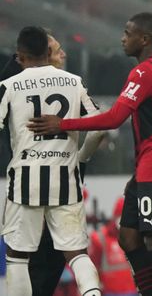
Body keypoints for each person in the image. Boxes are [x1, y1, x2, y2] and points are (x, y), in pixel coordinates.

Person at [29, 12, 152, 296]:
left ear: (145, 38)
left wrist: (61, 123)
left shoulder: (145, 71)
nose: (123, 39)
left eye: (128, 33)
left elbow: (113, 118)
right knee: (128, 237)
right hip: (151, 166)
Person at [0, 26, 103, 295]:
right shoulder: (73, 81)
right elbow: (99, 127)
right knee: (76, 254)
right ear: (48, 52)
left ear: (20, 56)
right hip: (65, 179)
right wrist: (80, 158)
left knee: (18, 256)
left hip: (24, 181)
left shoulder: (8, 86)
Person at [89, 198, 138, 296]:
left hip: (134, 292)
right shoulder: (99, 238)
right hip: (109, 292)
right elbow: (92, 269)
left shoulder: (137, 237)